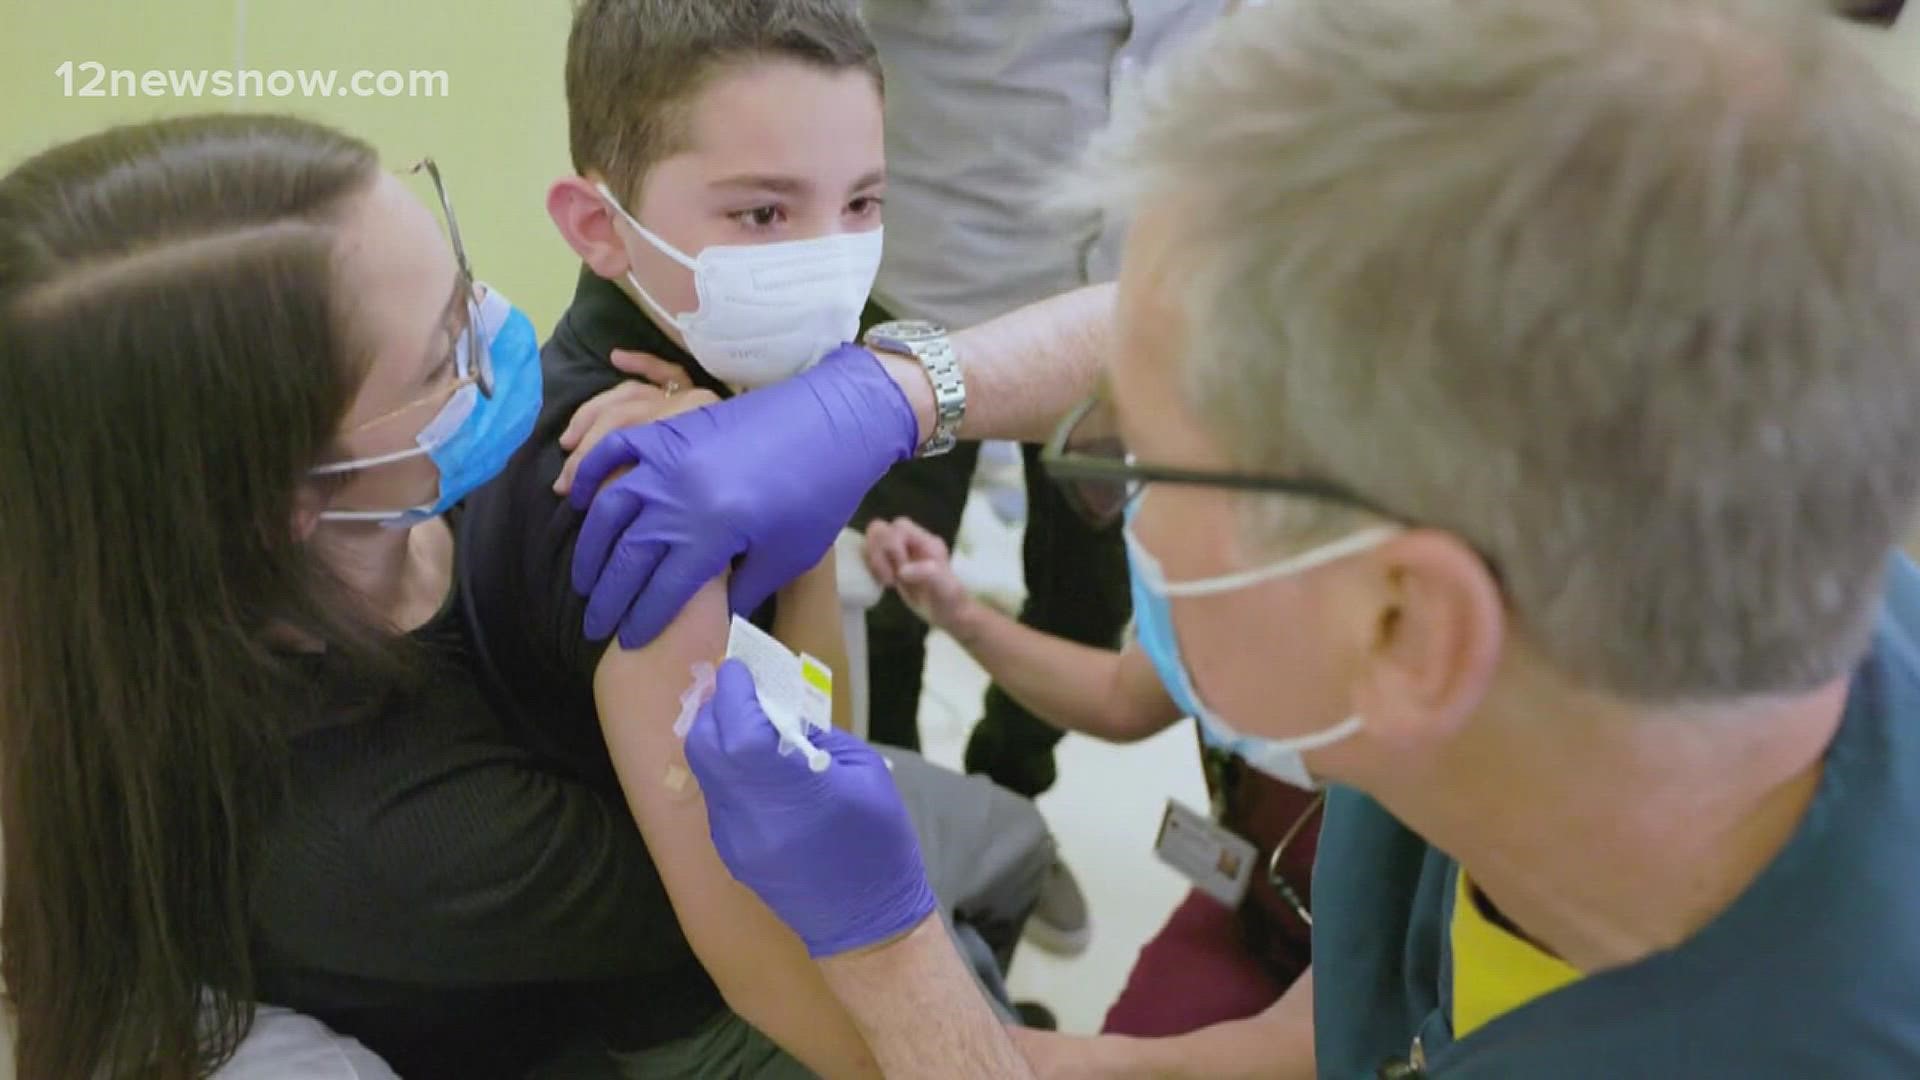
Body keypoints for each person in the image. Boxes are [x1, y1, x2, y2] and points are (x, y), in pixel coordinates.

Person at [570, 0, 1920, 1075]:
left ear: (1403, 627)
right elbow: (1295, 1047)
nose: (1115, 492)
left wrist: (891, 959)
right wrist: (896, 392)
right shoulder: (1651, 638)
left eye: (1144, 449)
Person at [0, 113, 740, 1080]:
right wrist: (746, 524)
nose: (495, 323)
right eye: (444, 357)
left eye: (461, 273)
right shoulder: (388, 835)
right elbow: (758, 895)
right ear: (283, 502)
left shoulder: (410, 499)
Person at [457, 1, 1056, 1074]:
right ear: (598, 224)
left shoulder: (702, 401)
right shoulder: (633, 485)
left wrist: (807, 509)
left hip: (738, 895)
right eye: (764, 216)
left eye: (863, 200)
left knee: (1001, 853)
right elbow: (766, 963)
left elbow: (818, 727)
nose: (832, 261)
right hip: (683, 1011)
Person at [849, 1, 1228, 958]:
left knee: (1091, 597)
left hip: (1149, 300)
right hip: (929, 288)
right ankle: (904, 833)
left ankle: (1007, 808)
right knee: (878, 595)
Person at [864, 514, 1317, 1033]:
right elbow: (1122, 698)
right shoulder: (1243, 599)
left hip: (1357, 981)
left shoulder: (1409, 787)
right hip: (1255, 897)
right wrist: (959, 614)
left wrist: (1099, 1065)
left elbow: (1364, 1014)